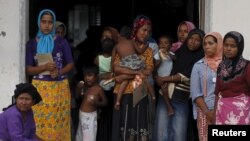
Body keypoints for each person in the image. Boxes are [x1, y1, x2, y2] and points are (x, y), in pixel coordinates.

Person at [25, 9, 74, 140]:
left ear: (53, 24)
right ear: (39, 23)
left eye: (50, 22)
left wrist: (59, 71)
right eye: (44, 22)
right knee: (40, 123)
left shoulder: (61, 42)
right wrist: (44, 68)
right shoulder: (32, 43)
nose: (47, 25)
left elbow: (70, 64)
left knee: (59, 123)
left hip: (59, 88)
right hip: (40, 89)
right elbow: (28, 70)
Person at [155, 29, 205, 141]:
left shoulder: (201, 58)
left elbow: (187, 76)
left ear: (201, 43)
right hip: (165, 95)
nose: (193, 42)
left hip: (181, 98)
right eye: (191, 38)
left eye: (197, 40)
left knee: (179, 134)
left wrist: (164, 79)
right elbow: (165, 67)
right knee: (161, 132)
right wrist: (159, 78)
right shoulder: (179, 52)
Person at [111, 15, 154, 141]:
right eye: (143, 30)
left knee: (139, 123)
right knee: (124, 124)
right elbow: (116, 68)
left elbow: (148, 70)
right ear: (136, 30)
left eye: (148, 31)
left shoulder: (149, 50)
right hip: (123, 92)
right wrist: (136, 72)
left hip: (139, 91)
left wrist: (126, 74)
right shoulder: (125, 45)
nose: (146, 34)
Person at [191, 32, 223, 141]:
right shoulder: (198, 66)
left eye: (210, 43)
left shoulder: (228, 65)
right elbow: (195, 94)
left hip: (225, 111)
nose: (207, 46)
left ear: (218, 44)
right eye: (205, 44)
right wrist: (208, 113)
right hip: (205, 112)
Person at [214, 31, 250, 125]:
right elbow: (217, 92)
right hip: (223, 111)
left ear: (239, 47)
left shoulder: (246, 66)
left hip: (241, 113)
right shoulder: (221, 67)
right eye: (226, 45)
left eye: (233, 46)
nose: (228, 49)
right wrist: (215, 115)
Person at [75, 64, 108, 141]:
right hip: (81, 114)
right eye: (85, 76)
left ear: (97, 76)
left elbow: (105, 102)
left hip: (90, 117)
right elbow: (79, 97)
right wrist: (78, 88)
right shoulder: (85, 86)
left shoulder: (99, 89)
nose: (87, 78)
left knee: (89, 136)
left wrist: (97, 103)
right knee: (80, 135)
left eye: (90, 75)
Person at [94, 38, 115, 141]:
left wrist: (100, 77)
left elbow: (94, 72)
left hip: (101, 85)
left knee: (102, 111)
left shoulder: (98, 58)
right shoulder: (114, 58)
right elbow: (113, 73)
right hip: (111, 85)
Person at [156, 34, 174, 116]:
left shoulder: (171, 54)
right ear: (158, 45)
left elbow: (175, 59)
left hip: (169, 76)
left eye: (166, 43)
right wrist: (160, 57)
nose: (163, 45)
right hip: (161, 77)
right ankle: (168, 106)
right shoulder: (157, 54)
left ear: (170, 45)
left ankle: (170, 105)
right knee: (164, 88)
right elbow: (155, 66)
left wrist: (168, 54)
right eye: (161, 43)